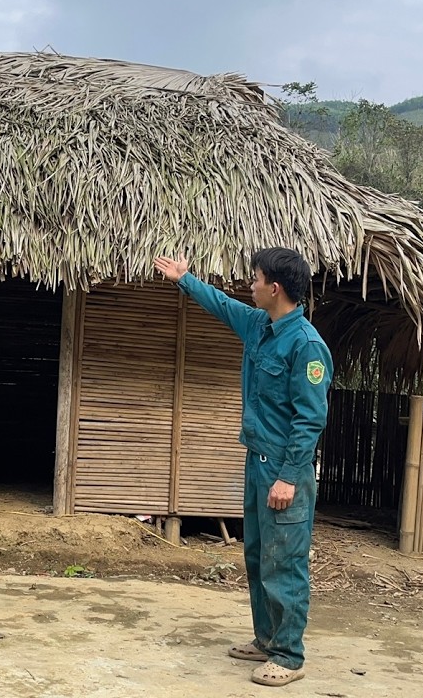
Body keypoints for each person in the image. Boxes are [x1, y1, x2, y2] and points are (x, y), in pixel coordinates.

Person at [154, 248, 332, 688]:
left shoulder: (307, 346)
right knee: (257, 556)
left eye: (255, 279)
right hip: (257, 463)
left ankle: (289, 656)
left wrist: (289, 477)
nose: (248, 285)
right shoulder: (259, 325)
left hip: (285, 471)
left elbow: (310, 420)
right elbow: (221, 304)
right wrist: (184, 279)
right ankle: (266, 638)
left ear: (274, 288)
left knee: (284, 561)